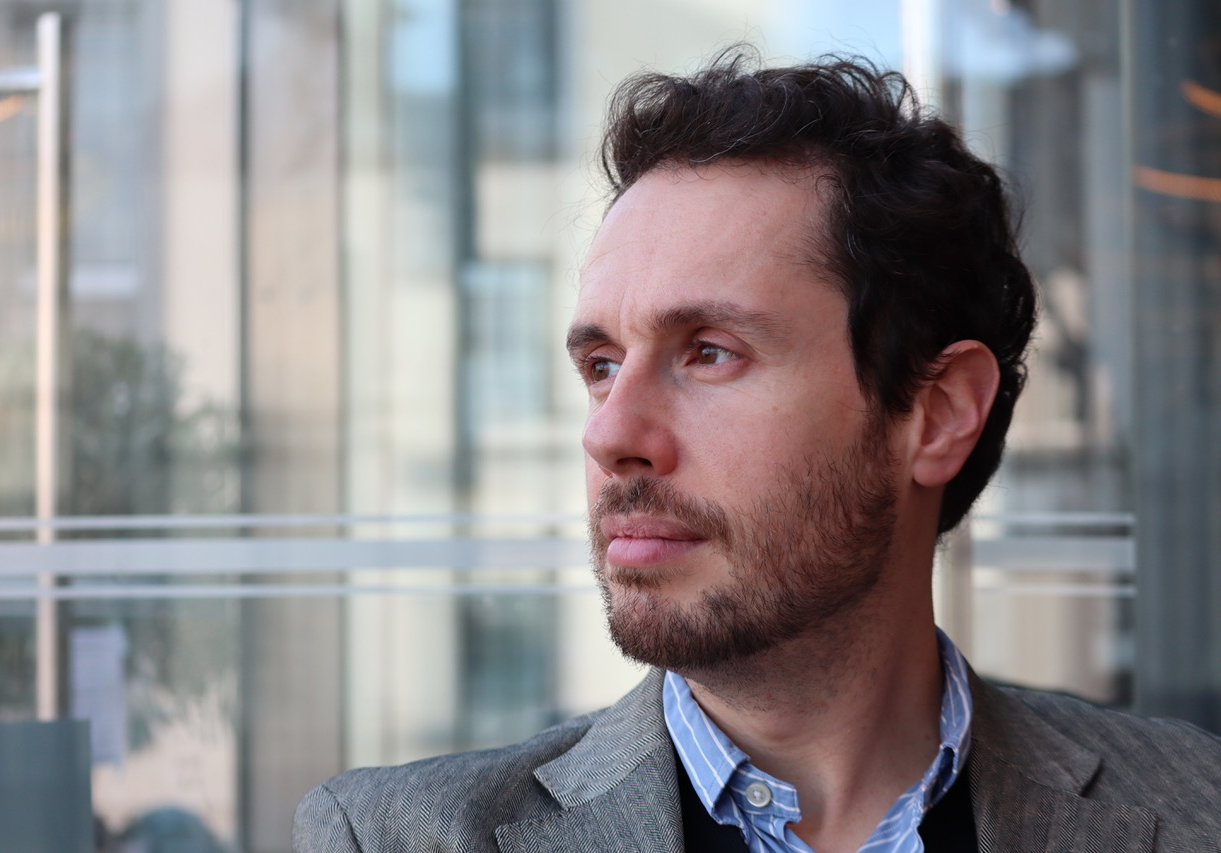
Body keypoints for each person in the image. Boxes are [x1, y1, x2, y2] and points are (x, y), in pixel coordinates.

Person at [294, 49, 1221, 853]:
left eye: (710, 352)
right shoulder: (396, 836)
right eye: (602, 365)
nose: (609, 434)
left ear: (936, 413)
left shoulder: (1194, 812)